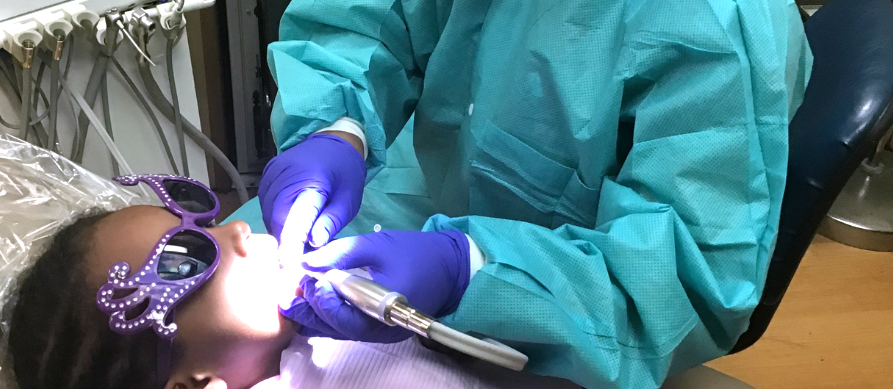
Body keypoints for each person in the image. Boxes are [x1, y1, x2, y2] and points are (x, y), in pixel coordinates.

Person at [254, 0, 814, 386]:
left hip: (579, 318)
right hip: (422, 209)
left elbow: (675, 282)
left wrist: (470, 270)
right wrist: (336, 131)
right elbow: (356, 23)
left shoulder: (714, 14)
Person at [3, 175, 575, 389]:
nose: (234, 230)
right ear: (192, 384)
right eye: (185, 257)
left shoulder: (311, 330)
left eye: (200, 218)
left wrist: (462, 281)